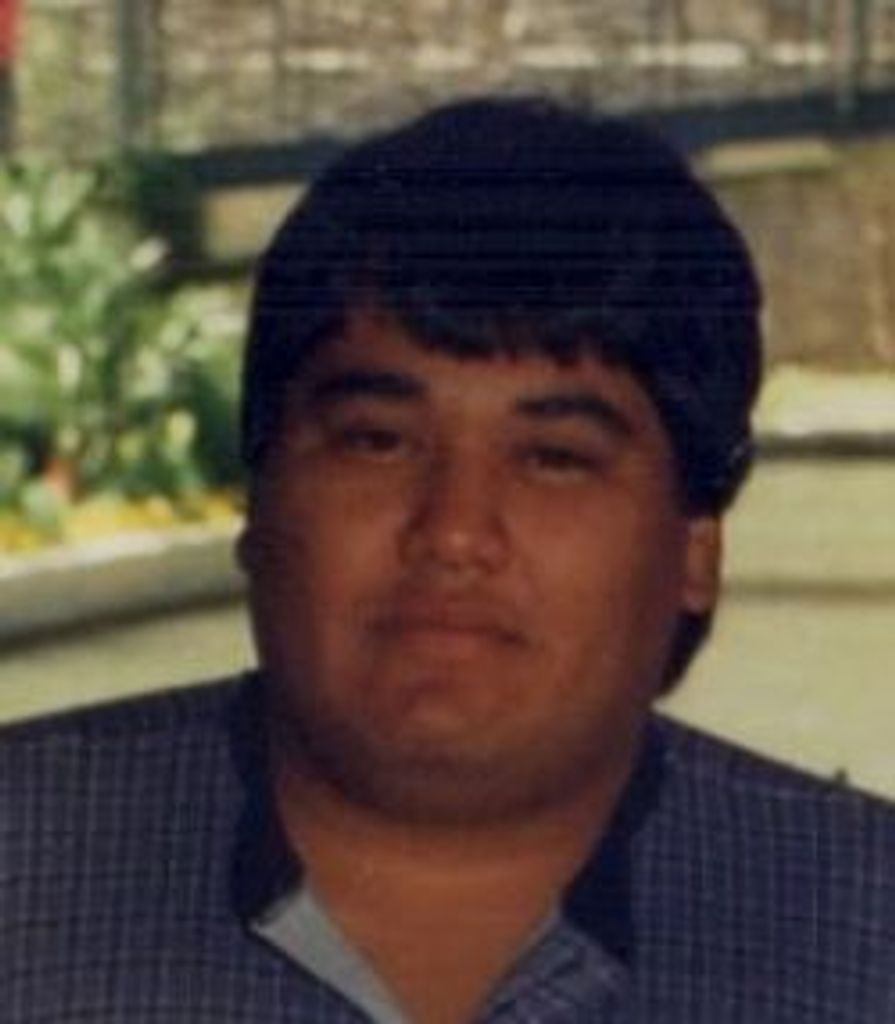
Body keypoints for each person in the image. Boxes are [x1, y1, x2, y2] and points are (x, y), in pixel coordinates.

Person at [1, 96, 892, 1023]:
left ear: (694, 548)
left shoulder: (867, 938)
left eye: (554, 459)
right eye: (377, 441)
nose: (455, 532)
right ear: (259, 501)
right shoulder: (23, 870)